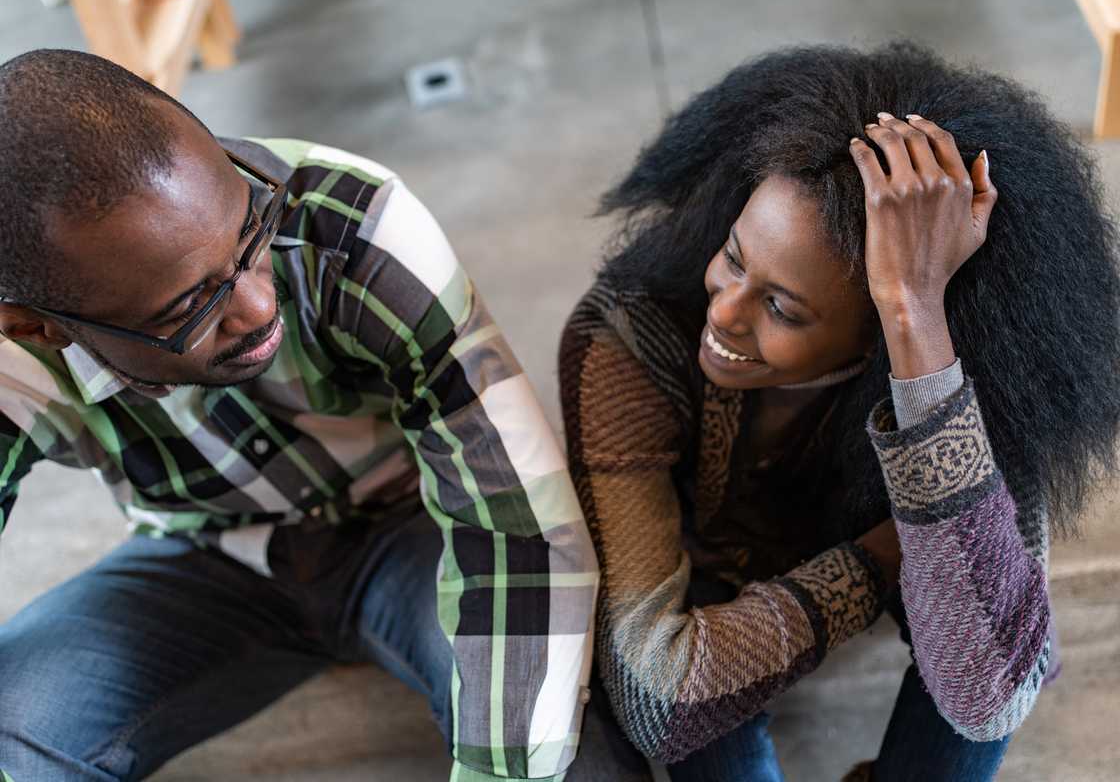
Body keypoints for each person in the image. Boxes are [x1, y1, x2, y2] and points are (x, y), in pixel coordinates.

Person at [0, 49, 603, 782]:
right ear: (37, 328)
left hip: (422, 527)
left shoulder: (354, 227)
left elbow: (519, 532)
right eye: (188, 308)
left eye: (251, 233)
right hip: (211, 560)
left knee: (572, 724)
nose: (257, 306)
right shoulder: (13, 361)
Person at [558, 42, 1120, 781]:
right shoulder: (628, 338)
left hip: (768, 606)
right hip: (708, 581)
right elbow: (657, 693)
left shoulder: (979, 380)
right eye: (733, 256)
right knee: (701, 716)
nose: (722, 313)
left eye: (781, 308)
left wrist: (916, 318)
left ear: (874, 335)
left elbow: (988, 693)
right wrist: (885, 556)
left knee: (993, 614)